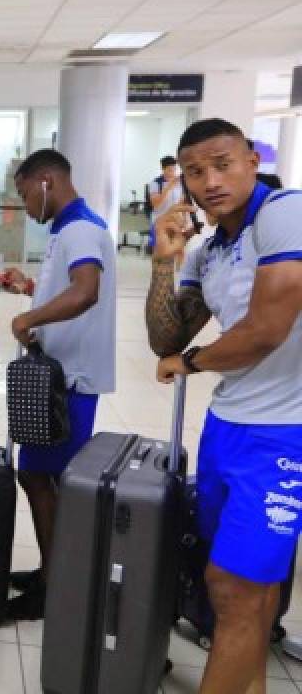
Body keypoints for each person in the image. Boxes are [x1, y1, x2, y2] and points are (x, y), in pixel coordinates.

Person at [146, 119, 302, 694]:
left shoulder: (285, 213)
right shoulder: (209, 249)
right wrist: (166, 259)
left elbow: (267, 330)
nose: (209, 181)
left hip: (287, 435)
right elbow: (164, 336)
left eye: (223, 164)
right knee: (241, 594)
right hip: (226, 427)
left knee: (234, 586)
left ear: (251, 162)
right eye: (195, 172)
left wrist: (192, 361)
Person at [0, 148, 117, 620]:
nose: (25, 205)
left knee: (40, 475)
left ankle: (56, 584)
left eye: (25, 193)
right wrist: (30, 289)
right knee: (42, 475)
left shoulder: (81, 227)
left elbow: (86, 291)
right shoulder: (68, 229)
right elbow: (69, 288)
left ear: (46, 181)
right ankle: (54, 570)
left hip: (70, 379)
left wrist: (32, 315)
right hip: (61, 373)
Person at [148, 155, 184, 257]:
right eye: (169, 170)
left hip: (175, 220)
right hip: (159, 220)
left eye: (174, 169)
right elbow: (156, 203)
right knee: (160, 251)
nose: (172, 173)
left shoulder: (179, 183)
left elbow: (181, 202)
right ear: (163, 169)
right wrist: (168, 187)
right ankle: (158, 272)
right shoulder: (155, 183)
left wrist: (184, 218)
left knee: (179, 250)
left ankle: (179, 272)